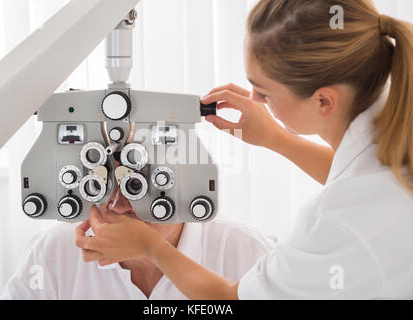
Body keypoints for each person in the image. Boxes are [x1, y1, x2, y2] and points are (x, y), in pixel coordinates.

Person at [75, 0, 413, 300]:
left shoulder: (334, 223)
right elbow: (364, 179)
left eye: (263, 92)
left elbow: (231, 298)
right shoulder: (389, 133)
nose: (255, 103)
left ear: (324, 100)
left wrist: (151, 248)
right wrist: (277, 138)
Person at [1, 188, 272, 300]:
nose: (118, 205)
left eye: (136, 186)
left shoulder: (242, 249)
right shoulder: (53, 250)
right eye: (106, 185)